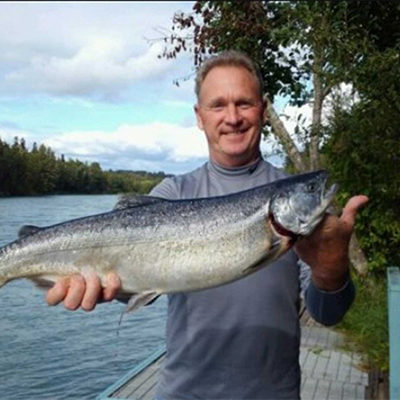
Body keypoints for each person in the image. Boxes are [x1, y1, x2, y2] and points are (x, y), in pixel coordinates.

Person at [46, 50, 368, 399]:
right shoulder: (171, 194)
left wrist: (331, 271)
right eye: (218, 105)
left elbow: (328, 314)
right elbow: (138, 288)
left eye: (244, 103)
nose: (232, 117)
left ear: (262, 109)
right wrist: (104, 286)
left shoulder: (299, 216)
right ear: (199, 117)